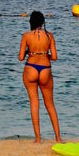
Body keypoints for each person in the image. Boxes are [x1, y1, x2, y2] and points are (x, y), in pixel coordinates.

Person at [18, 11, 61, 143]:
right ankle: (58, 138)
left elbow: (20, 58)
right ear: (43, 22)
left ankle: (38, 139)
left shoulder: (26, 35)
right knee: (50, 105)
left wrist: (28, 53)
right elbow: (54, 57)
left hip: (31, 67)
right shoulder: (49, 36)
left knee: (34, 104)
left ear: (31, 22)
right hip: (45, 70)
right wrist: (44, 55)